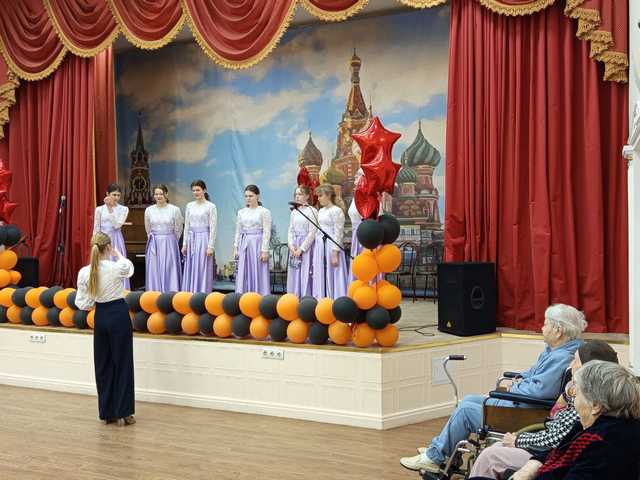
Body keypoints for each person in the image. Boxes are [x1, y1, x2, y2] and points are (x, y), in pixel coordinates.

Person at [400, 304, 587, 474]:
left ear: (558, 330)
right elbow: (530, 375)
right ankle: (444, 450)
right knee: (469, 399)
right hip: (523, 404)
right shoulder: (556, 351)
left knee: (465, 411)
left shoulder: (561, 357)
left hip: (526, 412)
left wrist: (514, 388)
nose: (542, 328)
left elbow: (539, 392)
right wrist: (519, 382)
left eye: (545, 324)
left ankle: (435, 457)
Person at [469, 340, 619, 479]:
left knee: (490, 455)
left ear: (588, 368)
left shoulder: (587, 401)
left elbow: (557, 439)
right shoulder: (586, 393)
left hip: (550, 455)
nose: (571, 364)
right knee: (495, 447)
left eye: (575, 360)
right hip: (548, 449)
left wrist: (519, 440)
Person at [75, 232, 135, 426]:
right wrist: (118, 255)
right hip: (118, 314)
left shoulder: (85, 272)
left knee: (103, 364)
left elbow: (83, 303)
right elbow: (129, 268)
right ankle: (124, 412)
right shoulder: (116, 267)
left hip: (100, 315)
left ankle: (107, 412)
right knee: (123, 363)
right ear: (108, 247)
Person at [144, 184, 184, 292]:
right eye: (156, 194)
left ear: (166, 194)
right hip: (154, 244)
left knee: (169, 268)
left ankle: (171, 293)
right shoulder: (148, 210)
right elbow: (148, 229)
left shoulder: (174, 209)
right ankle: (154, 294)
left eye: (161, 194)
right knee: (154, 269)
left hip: (170, 242)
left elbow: (179, 229)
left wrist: (171, 240)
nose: (158, 196)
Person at [311, 184, 348, 299]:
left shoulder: (337, 211)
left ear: (328, 195)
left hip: (331, 245)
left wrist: (335, 253)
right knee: (321, 271)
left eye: (321, 196)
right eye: (318, 196)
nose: (318, 198)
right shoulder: (321, 211)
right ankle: (321, 297)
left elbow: (338, 233)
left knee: (333, 271)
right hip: (320, 244)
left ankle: (335, 297)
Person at [234, 184, 272, 295]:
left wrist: (264, 250)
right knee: (244, 270)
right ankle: (243, 297)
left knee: (258, 270)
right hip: (244, 244)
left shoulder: (264, 212)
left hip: (257, 244)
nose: (248, 198)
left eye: (251, 196)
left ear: (257, 196)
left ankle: (260, 296)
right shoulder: (241, 212)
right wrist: (236, 247)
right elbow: (238, 231)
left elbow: (267, 232)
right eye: (246, 196)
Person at [182, 180, 217, 293]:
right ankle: (189, 293)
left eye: (198, 190)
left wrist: (210, 246)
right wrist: (184, 244)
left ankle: (202, 294)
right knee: (191, 266)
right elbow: (187, 226)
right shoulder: (189, 206)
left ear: (204, 190)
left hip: (204, 239)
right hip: (191, 239)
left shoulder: (211, 206)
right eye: (193, 190)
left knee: (202, 266)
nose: (195, 192)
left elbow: (213, 228)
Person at [93, 183, 130, 290]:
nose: (116, 197)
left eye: (118, 195)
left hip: (116, 240)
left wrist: (110, 209)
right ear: (107, 194)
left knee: (117, 264)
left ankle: (120, 290)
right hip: (102, 240)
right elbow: (96, 227)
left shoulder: (124, 209)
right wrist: (95, 242)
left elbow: (116, 225)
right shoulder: (99, 209)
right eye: (114, 195)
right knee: (103, 265)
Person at [286, 185, 317, 297]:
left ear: (307, 196)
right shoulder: (294, 212)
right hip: (295, 245)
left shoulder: (312, 211)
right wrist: (291, 245)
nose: (297, 197)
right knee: (295, 271)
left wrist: (302, 249)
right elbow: (291, 229)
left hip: (306, 247)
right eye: (296, 194)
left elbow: (312, 232)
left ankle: (305, 296)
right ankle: (293, 296)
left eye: (300, 194)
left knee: (305, 271)